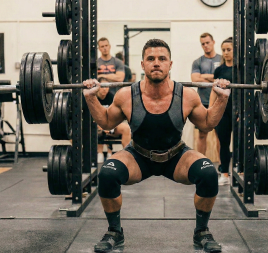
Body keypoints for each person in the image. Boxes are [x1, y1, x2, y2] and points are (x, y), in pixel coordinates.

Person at [83, 39, 230, 253]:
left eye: (162, 59)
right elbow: (106, 122)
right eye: (150, 59)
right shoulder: (127, 95)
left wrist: (222, 99)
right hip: (138, 156)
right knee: (107, 173)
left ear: (170, 64)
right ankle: (114, 231)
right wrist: (90, 98)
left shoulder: (187, 95)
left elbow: (208, 123)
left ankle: (202, 232)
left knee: (208, 173)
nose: (156, 63)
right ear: (142, 65)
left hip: (176, 156)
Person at [191, 33, 221, 156]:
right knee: (202, 134)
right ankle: (201, 163)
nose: (205, 46)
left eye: (207, 43)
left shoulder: (222, 59)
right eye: (203, 44)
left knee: (220, 135)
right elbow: (194, 79)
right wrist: (214, 78)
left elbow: (224, 78)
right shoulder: (197, 62)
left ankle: (222, 167)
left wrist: (203, 76)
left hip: (219, 102)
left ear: (213, 42)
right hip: (202, 102)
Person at [209, 37, 234, 186]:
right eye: (223, 50)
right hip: (222, 110)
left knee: (241, 144)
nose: (225, 52)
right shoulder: (219, 70)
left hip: (238, 110)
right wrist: (211, 110)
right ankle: (224, 173)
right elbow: (215, 91)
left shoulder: (241, 69)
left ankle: (241, 171)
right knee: (224, 143)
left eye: (229, 49)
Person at [96, 77, 131, 163]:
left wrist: (110, 126)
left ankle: (127, 156)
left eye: (107, 87)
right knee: (96, 128)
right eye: (102, 87)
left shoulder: (112, 97)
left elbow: (116, 116)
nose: (105, 89)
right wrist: (101, 125)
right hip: (95, 126)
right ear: (97, 87)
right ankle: (99, 153)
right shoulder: (94, 98)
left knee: (126, 128)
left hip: (110, 124)